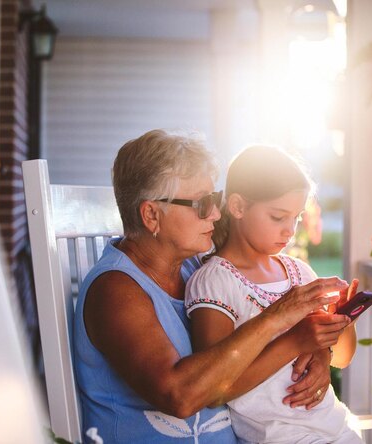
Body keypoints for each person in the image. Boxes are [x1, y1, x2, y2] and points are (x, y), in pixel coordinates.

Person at [73, 130, 351, 443]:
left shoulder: (195, 268)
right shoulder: (114, 291)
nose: (216, 214)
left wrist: (318, 351)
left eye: (214, 199)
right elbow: (180, 396)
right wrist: (278, 316)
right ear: (151, 215)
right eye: (202, 204)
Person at [186, 146, 364, 443]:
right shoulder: (216, 282)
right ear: (238, 207)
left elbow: (342, 359)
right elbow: (215, 387)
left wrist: (343, 324)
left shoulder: (300, 273)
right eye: (278, 217)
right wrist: (294, 340)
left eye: (295, 217)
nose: (290, 231)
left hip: (336, 431)